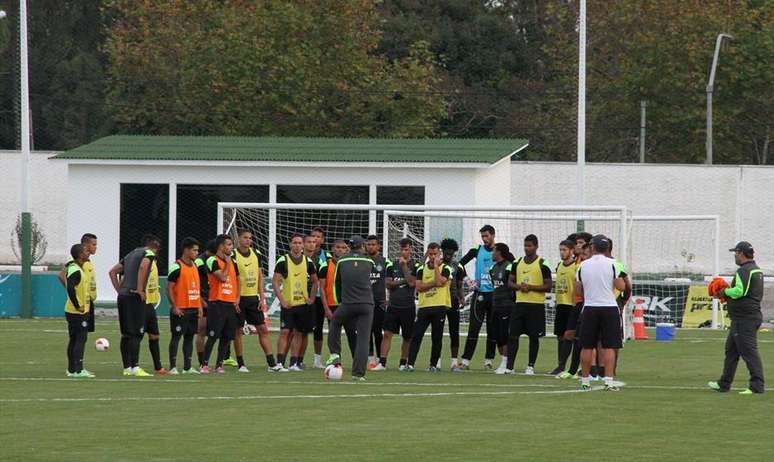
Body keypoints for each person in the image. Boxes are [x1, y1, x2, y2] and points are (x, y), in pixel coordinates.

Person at [709, 241, 765, 394]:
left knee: (749, 352)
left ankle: (757, 386)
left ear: (741, 253)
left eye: (736, 252)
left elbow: (740, 291)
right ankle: (724, 384)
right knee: (731, 351)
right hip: (745, 318)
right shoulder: (756, 270)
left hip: (744, 319)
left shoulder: (744, 271)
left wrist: (724, 292)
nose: (734, 255)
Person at [575, 235, 626, 391]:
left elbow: (578, 289)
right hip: (609, 307)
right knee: (609, 346)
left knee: (587, 346)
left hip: (590, 307)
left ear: (593, 247)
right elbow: (621, 286)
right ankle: (608, 381)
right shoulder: (614, 264)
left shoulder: (582, 265)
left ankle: (585, 381)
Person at [108, 234, 161, 377]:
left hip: (124, 296)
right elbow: (143, 267)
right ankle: (135, 367)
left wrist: (119, 290)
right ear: (154, 246)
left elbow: (113, 271)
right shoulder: (148, 253)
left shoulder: (132, 253)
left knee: (126, 333)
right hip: (134, 297)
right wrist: (139, 289)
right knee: (137, 332)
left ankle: (127, 368)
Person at [325, 236, 375, 381]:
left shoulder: (341, 261)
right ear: (362, 246)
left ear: (349, 247)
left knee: (335, 322)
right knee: (363, 339)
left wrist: (341, 301)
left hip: (347, 304)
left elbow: (336, 284)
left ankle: (335, 353)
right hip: (366, 304)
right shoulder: (369, 261)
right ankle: (358, 374)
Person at [232, 229, 281, 372]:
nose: (248, 240)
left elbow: (260, 276)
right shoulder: (233, 255)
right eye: (245, 237)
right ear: (239, 239)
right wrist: (235, 299)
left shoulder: (256, 254)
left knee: (263, 329)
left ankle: (271, 363)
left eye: (250, 238)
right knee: (238, 331)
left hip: (254, 299)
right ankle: (241, 364)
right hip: (239, 299)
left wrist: (262, 297)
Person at [506, 234, 552, 375]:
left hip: (535, 306)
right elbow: (510, 282)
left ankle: (530, 366)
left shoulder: (543, 263)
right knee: (513, 335)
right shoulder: (517, 262)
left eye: (530, 246)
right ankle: (509, 367)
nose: (527, 248)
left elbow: (548, 286)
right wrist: (520, 287)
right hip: (520, 304)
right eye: (525, 246)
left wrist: (530, 287)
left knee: (534, 337)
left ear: (536, 246)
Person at [273, 234, 318, 371]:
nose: (297, 245)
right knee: (285, 332)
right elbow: (275, 282)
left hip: (303, 305)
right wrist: (282, 300)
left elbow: (315, 281)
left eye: (299, 243)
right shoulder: (283, 260)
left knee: (299, 333)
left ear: (302, 245)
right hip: (289, 304)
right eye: (295, 242)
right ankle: (279, 363)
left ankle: (293, 364)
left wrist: (311, 298)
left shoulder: (308, 262)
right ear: (290, 244)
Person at [407, 243, 452, 372]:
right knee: (417, 335)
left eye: (435, 254)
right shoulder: (421, 269)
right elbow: (419, 287)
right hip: (424, 306)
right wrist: (433, 283)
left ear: (440, 254)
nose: (432, 257)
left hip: (439, 306)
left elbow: (441, 281)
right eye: (430, 254)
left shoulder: (446, 268)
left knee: (436, 337)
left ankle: (433, 365)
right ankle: (410, 364)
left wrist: (437, 267)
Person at [459, 225, 497, 370]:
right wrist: (468, 280)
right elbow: (460, 265)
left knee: (492, 329)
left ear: (493, 235)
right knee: (474, 328)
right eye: (483, 236)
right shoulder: (476, 250)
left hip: (494, 296)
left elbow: (511, 266)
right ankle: (466, 361)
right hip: (479, 294)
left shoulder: (500, 251)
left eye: (487, 236)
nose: (485, 239)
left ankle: (489, 361)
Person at [201, 234, 241, 374]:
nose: (231, 247)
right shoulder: (212, 260)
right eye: (229, 244)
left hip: (230, 303)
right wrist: (228, 263)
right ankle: (204, 364)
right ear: (221, 246)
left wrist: (237, 298)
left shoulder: (233, 262)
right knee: (213, 335)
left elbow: (237, 279)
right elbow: (223, 278)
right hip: (217, 302)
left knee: (226, 336)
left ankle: (219, 365)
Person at [378, 238, 419, 371]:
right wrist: (404, 281)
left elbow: (413, 283)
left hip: (408, 306)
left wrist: (404, 267)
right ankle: (382, 363)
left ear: (411, 250)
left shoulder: (416, 265)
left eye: (406, 249)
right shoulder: (391, 264)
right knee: (387, 334)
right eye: (401, 249)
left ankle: (402, 363)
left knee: (407, 337)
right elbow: (388, 284)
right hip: (393, 306)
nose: (403, 252)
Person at [166, 237, 203, 374]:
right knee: (176, 337)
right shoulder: (176, 266)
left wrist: (199, 306)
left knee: (189, 337)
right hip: (180, 309)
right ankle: (173, 366)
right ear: (186, 250)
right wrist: (174, 306)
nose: (197, 253)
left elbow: (197, 288)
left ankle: (187, 367)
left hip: (193, 308)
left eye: (197, 250)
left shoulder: (195, 266)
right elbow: (169, 288)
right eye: (194, 250)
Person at [319, 239, 357, 357]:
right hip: (332, 306)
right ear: (333, 249)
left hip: (348, 305)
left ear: (347, 250)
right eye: (338, 247)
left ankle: (357, 361)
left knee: (352, 333)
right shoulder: (325, 266)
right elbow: (322, 289)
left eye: (343, 247)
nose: (340, 249)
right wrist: (326, 309)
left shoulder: (351, 264)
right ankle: (336, 360)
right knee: (334, 335)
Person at [137, 236, 167, 375]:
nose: (156, 251)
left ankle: (158, 367)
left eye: (157, 248)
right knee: (137, 336)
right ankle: (133, 366)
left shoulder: (153, 262)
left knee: (155, 336)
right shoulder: (140, 260)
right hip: (141, 303)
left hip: (150, 305)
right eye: (153, 248)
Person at [64, 243, 95, 378]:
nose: (88, 252)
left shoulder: (77, 268)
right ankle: (78, 370)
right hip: (77, 312)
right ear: (79, 255)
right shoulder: (75, 270)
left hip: (77, 311)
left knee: (74, 339)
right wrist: (77, 305)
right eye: (85, 251)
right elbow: (70, 288)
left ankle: (72, 370)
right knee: (80, 339)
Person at [59, 234, 98, 334]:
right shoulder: (76, 262)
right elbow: (61, 275)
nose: (95, 247)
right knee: (80, 335)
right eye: (93, 244)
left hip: (89, 302)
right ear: (85, 244)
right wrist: (74, 293)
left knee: (84, 334)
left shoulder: (87, 261)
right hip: (81, 304)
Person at [550, 239, 578, 376]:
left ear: (572, 251)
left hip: (572, 306)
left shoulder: (577, 266)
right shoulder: (559, 266)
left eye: (564, 250)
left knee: (571, 336)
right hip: (561, 305)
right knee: (560, 337)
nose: (562, 252)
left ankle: (567, 366)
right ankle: (560, 365)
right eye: (560, 249)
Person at [440, 238, 467, 371]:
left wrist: (462, 298)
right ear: (442, 251)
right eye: (446, 251)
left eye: (452, 252)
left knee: (454, 332)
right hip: (439, 301)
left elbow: (460, 284)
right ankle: (436, 362)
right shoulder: (437, 265)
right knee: (437, 332)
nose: (449, 254)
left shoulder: (458, 266)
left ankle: (454, 363)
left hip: (453, 301)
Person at [490, 243, 516, 374]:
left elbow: (511, 284)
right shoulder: (493, 268)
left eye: (493, 251)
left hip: (507, 305)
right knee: (497, 336)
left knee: (505, 335)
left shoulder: (509, 266)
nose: (492, 253)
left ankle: (506, 364)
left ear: (499, 252)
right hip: (496, 305)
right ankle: (503, 361)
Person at [310, 227, 332, 369]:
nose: (316, 239)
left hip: (327, 297)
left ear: (323, 240)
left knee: (332, 328)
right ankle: (317, 360)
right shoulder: (304, 256)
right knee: (316, 329)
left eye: (318, 237)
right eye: (313, 236)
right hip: (312, 298)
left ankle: (333, 357)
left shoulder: (329, 257)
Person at [366, 235, 389, 369]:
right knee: (366, 331)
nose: (371, 247)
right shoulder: (362, 260)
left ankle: (381, 360)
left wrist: (388, 299)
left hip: (380, 302)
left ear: (378, 246)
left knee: (378, 331)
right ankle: (370, 359)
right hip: (365, 301)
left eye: (373, 244)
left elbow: (390, 280)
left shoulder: (385, 262)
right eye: (369, 244)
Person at [195, 239, 216, 368]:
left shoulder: (218, 260)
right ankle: (201, 361)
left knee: (221, 330)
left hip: (216, 299)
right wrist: (200, 299)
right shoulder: (199, 262)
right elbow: (194, 281)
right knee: (201, 330)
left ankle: (224, 358)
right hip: (203, 298)